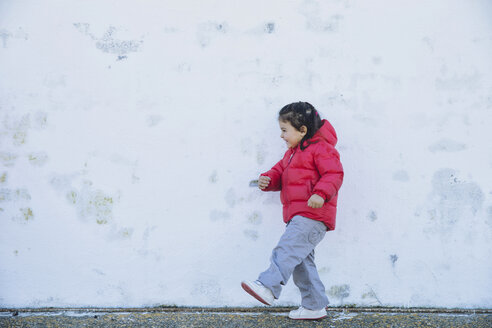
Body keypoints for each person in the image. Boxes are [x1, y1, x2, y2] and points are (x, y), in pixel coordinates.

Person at [241, 101, 344, 320]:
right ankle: (314, 306)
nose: (281, 136)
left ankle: (268, 287)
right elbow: (278, 172)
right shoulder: (291, 154)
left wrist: (321, 194)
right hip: (300, 215)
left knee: (286, 250)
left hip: (313, 215)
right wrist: (267, 180)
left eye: (284, 130)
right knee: (302, 264)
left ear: (303, 130)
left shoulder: (322, 149)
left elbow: (334, 174)